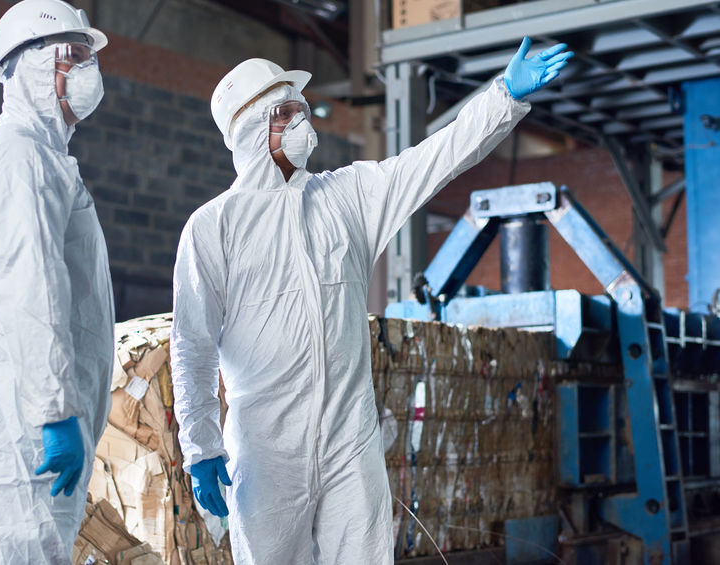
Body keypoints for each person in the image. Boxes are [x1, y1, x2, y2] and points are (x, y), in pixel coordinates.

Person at [171, 40, 572, 564]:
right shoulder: (213, 227)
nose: (303, 123)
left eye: (301, 108)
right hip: (268, 447)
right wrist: (201, 448)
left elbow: (435, 159)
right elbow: (192, 346)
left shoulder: (348, 197)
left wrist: (503, 96)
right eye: (287, 112)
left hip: (348, 437)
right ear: (251, 128)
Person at [0, 0, 114, 562]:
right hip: (24, 430)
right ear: (33, 66)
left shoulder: (45, 158)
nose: (89, 71)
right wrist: (54, 413)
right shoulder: (20, 158)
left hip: (32, 427)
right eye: (75, 56)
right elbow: (32, 286)